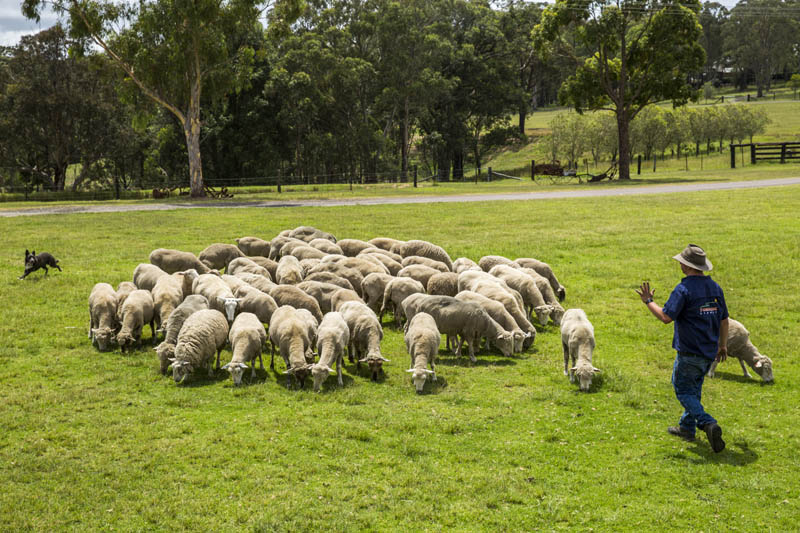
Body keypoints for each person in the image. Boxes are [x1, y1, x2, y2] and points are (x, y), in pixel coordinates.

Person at [636, 244, 728, 453]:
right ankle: (687, 428)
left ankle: (707, 423)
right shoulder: (715, 288)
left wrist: (648, 301)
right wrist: (722, 345)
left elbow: (666, 317)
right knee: (694, 389)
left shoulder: (684, 289)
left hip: (689, 352)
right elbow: (724, 320)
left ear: (686, 265)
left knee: (683, 389)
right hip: (709, 352)